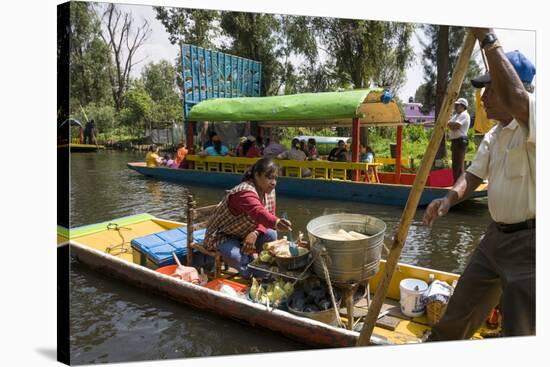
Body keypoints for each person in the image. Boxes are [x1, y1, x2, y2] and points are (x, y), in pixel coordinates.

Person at [423, 28, 536, 341]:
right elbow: (473, 175)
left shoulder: (536, 120)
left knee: (520, 332)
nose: (483, 98)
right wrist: (447, 200)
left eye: (491, 89)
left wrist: (486, 37)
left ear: (516, 89)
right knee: (459, 311)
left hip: (530, 244)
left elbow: (518, 99)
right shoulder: (494, 135)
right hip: (495, 237)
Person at [203, 158, 293, 279]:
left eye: (275, 178)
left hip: (246, 231)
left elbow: (269, 214)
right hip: (222, 235)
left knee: (272, 234)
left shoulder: (269, 190)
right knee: (236, 257)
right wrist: (276, 222)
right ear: (256, 175)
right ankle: (249, 275)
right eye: (269, 177)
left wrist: (255, 233)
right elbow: (259, 212)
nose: (273, 182)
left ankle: (262, 274)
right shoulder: (244, 191)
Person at [448, 97, 471, 182]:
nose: (455, 107)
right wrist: (450, 124)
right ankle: (458, 183)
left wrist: (450, 124)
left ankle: (458, 183)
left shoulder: (464, 115)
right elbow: (450, 124)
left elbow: (455, 126)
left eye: (457, 105)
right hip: (456, 141)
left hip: (460, 141)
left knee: (458, 165)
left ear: (463, 106)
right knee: (456, 164)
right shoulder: (456, 115)